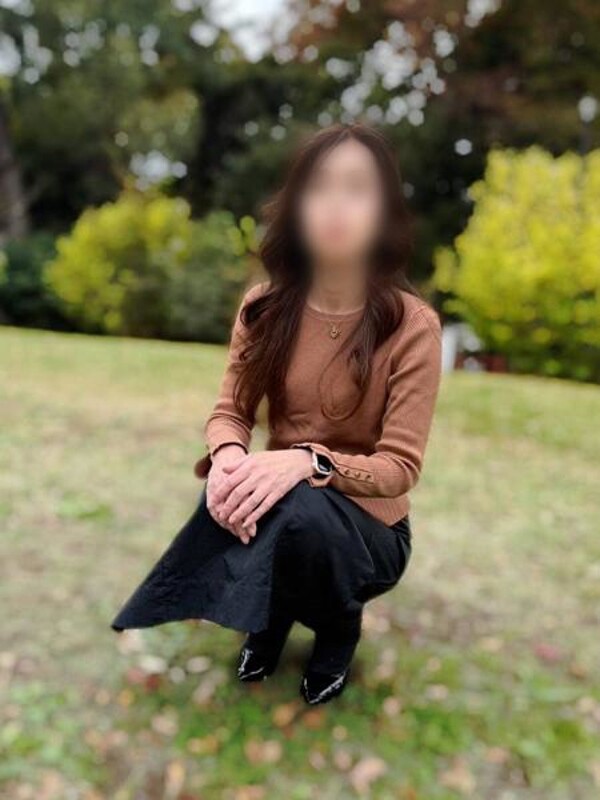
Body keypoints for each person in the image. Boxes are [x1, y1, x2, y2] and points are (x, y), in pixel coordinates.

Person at [113, 123, 442, 705]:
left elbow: (400, 468)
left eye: (357, 189)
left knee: (298, 507)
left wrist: (308, 462)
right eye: (318, 187)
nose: (335, 205)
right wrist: (228, 458)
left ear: (385, 212)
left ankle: (337, 631)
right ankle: (267, 621)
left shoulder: (412, 325)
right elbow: (230, 412)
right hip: (284, 503)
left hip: (370, 532)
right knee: (244, 491)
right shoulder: (264, 307)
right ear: (295, 207)